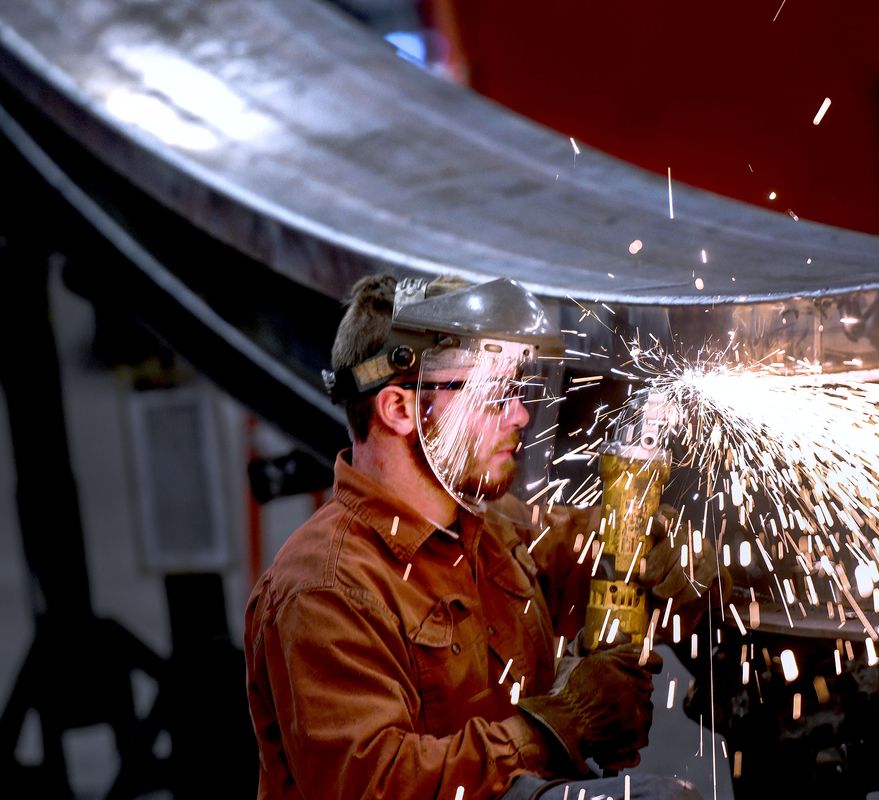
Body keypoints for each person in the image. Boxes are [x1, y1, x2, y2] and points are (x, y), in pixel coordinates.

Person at [244, 274, 713, 799]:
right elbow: (374, 785)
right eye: (493, 396)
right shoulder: (326, 589)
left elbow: (601, 560)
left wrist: (672, 559)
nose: (521, 415)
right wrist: (560, 722)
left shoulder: (492, 527)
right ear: (399, 410)